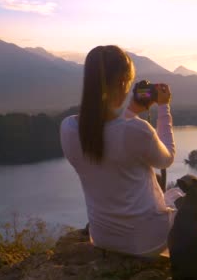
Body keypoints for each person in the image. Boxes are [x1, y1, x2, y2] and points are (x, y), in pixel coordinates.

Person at [60, 45, 181, 257]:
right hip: (147, 242)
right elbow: (167, 159)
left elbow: (111, 135)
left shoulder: (68, 129)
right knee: (188, 196)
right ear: (123, 82)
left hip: (102, 239)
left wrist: (132, 110)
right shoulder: (136, 130)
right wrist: (163, 108)